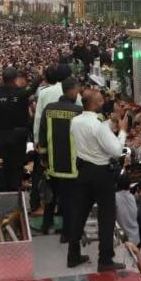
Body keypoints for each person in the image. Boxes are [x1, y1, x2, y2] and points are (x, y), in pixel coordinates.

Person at [67, 90, 128, 272]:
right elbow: (116, 150)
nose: (103, 102)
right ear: (95, 104)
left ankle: (73, 255)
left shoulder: (75, 121)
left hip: (83, 171)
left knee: (80, 214)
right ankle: (105, 260)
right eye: (101, 100)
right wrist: (122, 130)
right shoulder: (98, 125)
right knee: (106, 217)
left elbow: (96, 132)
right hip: (101, 174)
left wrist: (112, 121)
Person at [38, 76, 83, 238]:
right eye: (77, 89)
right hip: (71, 167)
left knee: (51, 197)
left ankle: (45, 225)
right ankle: (66, 234)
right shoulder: (78, 111)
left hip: (52, 163)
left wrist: (43, 156)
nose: (78, 93)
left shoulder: (48, 109)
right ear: (71, 91)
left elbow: (42, 135)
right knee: (69, 201)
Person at [0, 66, 37, 192]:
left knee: (1, 164)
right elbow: (32, 89)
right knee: (17, 165)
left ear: (2, 79)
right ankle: (15, 188)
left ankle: (2, 189)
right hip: (18, 136)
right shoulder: (21, 94)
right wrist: (39, 76)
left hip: (0, 137)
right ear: (15, 79)